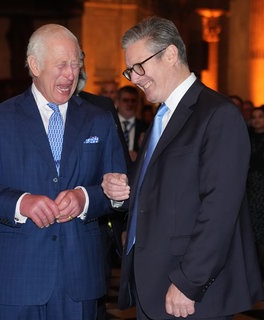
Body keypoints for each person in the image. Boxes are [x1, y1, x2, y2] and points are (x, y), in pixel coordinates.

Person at [0, 24, 126, 320]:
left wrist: (85, 198)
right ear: (34, 65)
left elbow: (119, 191)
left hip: (79, 279)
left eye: (76, 64)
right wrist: (20, 203)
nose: (71, 74)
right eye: (62, 65)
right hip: (16, 278)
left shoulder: (99, 119)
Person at [101, 16, 264, 320]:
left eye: (140, 66)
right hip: (153, 284)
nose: (134, 78)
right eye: (130, 70)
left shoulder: (218, 115)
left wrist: (188, 282)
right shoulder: (162, 117)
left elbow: (219, 210)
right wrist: (120, 192)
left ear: (171, 54)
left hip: (190, 291)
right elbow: (155, 189)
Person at [76, 63, 130, 320]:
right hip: (45, 221)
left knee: (94, 297)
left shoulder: (101, 107)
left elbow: (117, 166)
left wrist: (122, 223)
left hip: (95, 219)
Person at [247, 105, 264, 278]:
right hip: (251, 189)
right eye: (254, 117)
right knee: (253, 233)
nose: (257, 120)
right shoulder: (247, 136)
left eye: (260, 116)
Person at [116, 85, 147, 161]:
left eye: (133, 100)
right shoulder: (109, 124)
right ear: (117, 102)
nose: (130, 104)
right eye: (125, 100)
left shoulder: (146, 127)